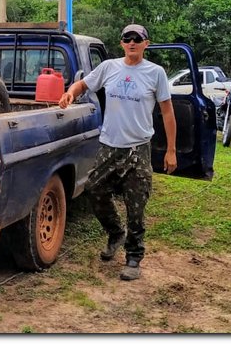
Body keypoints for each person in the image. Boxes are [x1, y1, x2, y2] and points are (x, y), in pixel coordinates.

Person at [58, 23, 177, 281]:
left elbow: (167, 112)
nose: (132, 42)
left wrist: (171, 150)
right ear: (121, 42)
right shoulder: (108, 67)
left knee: (136, 206)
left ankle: (133, 257)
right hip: (109, 146)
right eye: (127, 38)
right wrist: (70, 92)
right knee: (94, 190)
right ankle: (115, 233)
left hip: (138, 150)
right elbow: (82, 85)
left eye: (137, 38)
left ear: (146, 43)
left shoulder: (155, 73)